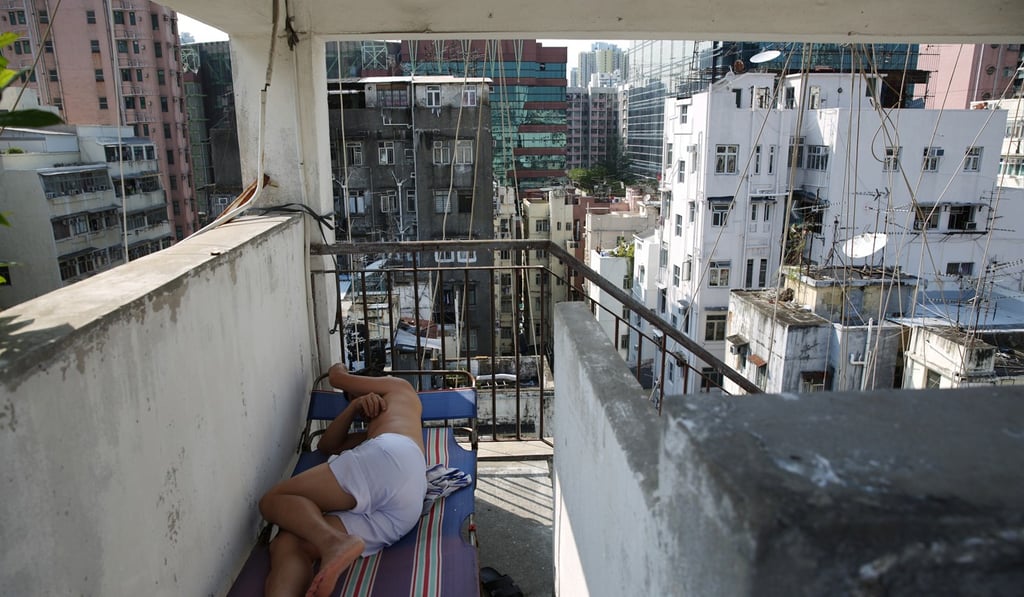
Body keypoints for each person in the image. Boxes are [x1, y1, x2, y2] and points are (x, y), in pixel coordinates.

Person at [258, 363, 427, 597]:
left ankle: (332, 543)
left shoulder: (399, 387)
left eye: (355, 395)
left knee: (273, 500)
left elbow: (336, 378)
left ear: (370, 384)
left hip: (391, 456)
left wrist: (340, 368)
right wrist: (355, 406)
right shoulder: (376, 431)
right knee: (290, 542)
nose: (359, 404)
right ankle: (330, 546)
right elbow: (327, 445)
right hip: (407, 505)